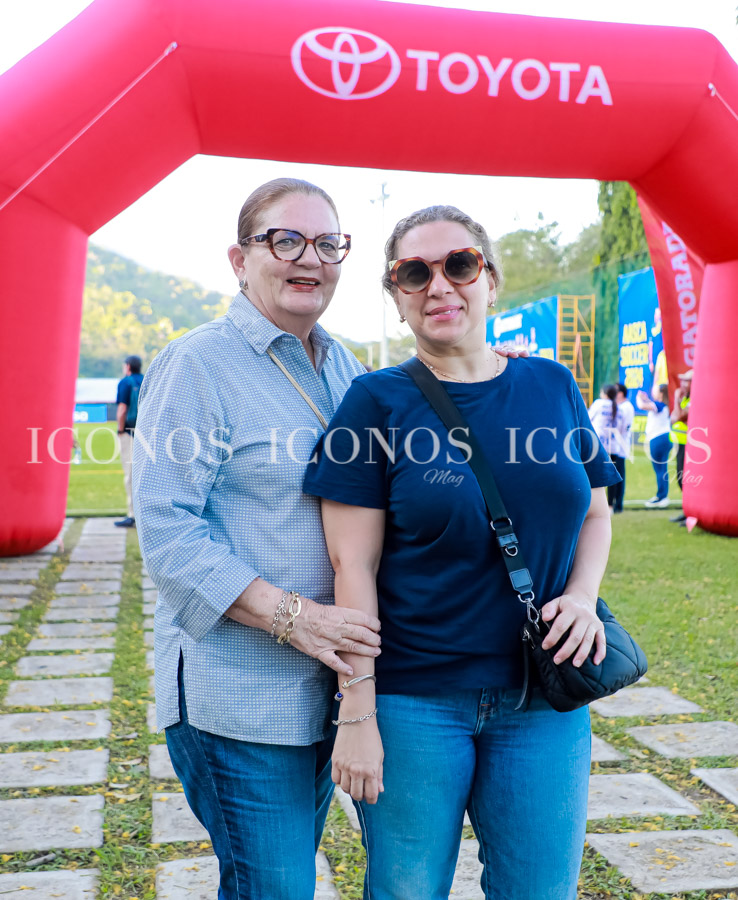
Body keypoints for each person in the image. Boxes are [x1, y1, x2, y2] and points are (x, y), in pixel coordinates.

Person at [303, 205, 620, 900]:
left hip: (544, 700)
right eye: (414, 273)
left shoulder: (552, 385)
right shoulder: (375, 403)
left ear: (490, 281)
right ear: (396, 296)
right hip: (415, 704)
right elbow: (353, 569)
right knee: (408, 891)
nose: (440, 285)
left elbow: (596, 512)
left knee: (541, 891)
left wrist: (582, 596)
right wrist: (358, 714)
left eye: (460, 264)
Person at [131, 178, 384, 899]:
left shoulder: (345, 367)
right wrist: (294, 617)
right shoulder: (198, 363)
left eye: (328, 243)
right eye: (286, 239)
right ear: (240, 259)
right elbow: (167, 528)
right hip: (240, 693)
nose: (310, 258)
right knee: (274, 888)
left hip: (327, 692)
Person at [589, 384, 629, 513]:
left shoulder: (599, 404)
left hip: (598, 447)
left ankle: (593, 506)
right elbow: (622, 429)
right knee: (611, 478)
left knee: (593, 476)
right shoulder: (619, 408)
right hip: (613, 447)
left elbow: (588, 419)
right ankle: (610, 506)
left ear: (604, 393)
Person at [114, 354, 144, 527]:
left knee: (130, 474)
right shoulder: (147, 379)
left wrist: (120, 430)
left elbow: (122, 409)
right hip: (148, 432)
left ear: (128, 366)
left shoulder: (125, 382)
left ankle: (132, 514)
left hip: (130, 432)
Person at [636, 384, 671, 508]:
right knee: (661, 469)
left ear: (661, 393)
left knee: (660, 469)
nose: (653, 392)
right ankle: (662, 495)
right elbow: (650, 404)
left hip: (658, 438)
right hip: (662, 438)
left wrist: (638, 398)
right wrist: (646, 399)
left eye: (656, 391)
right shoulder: (663, 405)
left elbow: (642, 406)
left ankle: (662, 496)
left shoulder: (660, 405)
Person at [669, 369, 693, 525]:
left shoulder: (694, 398)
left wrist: (677, 400)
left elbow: (679, 416)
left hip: (689, 445)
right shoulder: (685, 399)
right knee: (681, 478)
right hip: (680, 443)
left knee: (687, 479)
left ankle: (690, 513)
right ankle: (686, 511)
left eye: (686, 381)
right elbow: (673, 419)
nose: (683, 384)